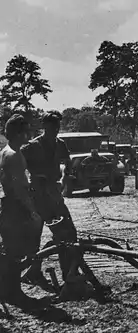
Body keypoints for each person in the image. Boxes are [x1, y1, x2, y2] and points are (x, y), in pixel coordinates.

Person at [20, 110, 78, 289]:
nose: (55, 130)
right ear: (44, 126)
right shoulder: (33, 146)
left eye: (58, 127)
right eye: (52, 126)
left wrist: (66, 176)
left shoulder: (60, 144)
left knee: (69, 233)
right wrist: (28, 182)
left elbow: (68, 161)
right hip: (37, 197)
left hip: (54, 195)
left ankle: (69, 273)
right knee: (34, 238)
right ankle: (33, 271)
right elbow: (17, 162)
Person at [0, 114, 46, 308]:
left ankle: (9, 291)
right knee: (16, 252)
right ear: (19, 133)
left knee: (10, 251)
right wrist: (33, 212)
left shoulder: (4, 151)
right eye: (27, 130)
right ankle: (14, 293)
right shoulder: (15, 155)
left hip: (7, 204)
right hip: (16, 206)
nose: (30, 134)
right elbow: (19, 188)